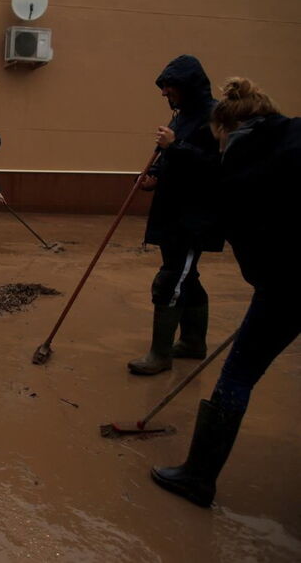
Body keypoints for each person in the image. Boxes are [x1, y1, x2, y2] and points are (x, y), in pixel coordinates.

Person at [151, 78, 300, 507]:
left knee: (237, 373)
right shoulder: (293, 135)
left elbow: (251, 246)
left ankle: (198, 478)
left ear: (226, 128)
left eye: (217, 140)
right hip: (288, 278)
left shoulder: (244, 165)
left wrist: (274, 288)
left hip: (286, 285)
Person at [128, 55, 223, 376]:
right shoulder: (181, 116)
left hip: (195, 218)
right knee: (187, 276)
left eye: (169, 87)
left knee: (171, 278)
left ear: (188, 85)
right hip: (172, 212)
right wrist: (154, 176)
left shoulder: (216, 117)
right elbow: (173, 161)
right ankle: (194, 343)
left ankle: (160, 354)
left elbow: (217, 167)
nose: (164, 93)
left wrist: (176, 144)